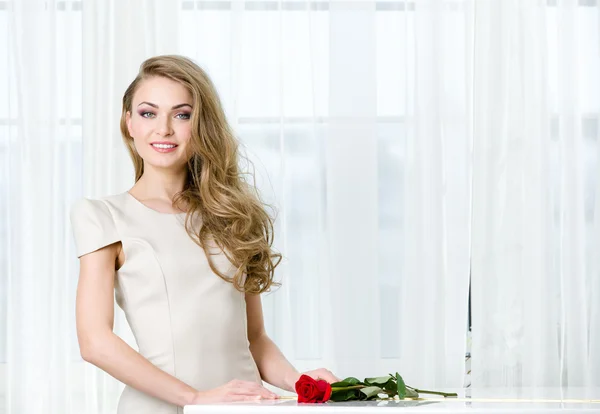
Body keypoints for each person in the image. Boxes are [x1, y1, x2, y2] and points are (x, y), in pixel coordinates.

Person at [70, 55, 340, 414]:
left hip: (243, 408)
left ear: (201, 126)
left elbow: (253, 339)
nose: (164, 128)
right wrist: (195, 399)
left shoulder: (233, 216)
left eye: (182, 115)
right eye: (149, 113)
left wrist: (300, 382)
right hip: (161, 408)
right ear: (129, 122)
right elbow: (95, 342)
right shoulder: (103, 216)